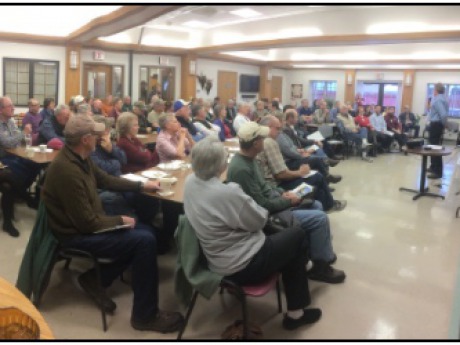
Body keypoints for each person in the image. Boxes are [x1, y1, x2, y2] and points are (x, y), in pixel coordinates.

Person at [41, 113, 183, 333]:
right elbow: (86, 223)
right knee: (144, 240)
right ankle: (145, 316)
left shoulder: (79, 157)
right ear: (86, 139)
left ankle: (97, 278)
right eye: (96, 134)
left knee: (145, 232)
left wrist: (141, 186)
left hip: (86, 222)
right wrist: (119, 220)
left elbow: (106, 180)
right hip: (74, 235)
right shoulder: (67, 170)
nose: (101, 137)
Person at [184, 137, 322, 330]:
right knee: (296, 234)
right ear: (220, 165)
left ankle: (298, 297)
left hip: (214, 258)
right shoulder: (228, 193)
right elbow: (259, 220)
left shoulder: (190, 182)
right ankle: (296, 312)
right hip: (244, 264)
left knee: (290, 246)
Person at [227, 121, 346, 284]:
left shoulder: (250, 160)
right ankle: (320, 267)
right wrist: (289, 202)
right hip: (267, 216)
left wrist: (284, 193)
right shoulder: (242, 169)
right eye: (262, 138)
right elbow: (262, 205)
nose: (266, 140)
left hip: (274, 202)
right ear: (255, 143)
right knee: (319, 218)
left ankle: (318, 256)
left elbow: (266, 185)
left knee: (317, 205)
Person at [257, 116, 346, 213]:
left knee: (316, 177)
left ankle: (325, 205)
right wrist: (300, 172)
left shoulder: (261, 140)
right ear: (267, 127)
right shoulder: (269, 142)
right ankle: (329, 205)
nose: (279, 131)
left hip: (273, 183)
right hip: (277, 186)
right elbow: (281, 174)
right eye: (277, 128)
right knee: (317, 176)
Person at [0, 96, 41, 202]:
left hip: (15, 154)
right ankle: (26, 197)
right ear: (1, 110)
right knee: (19, 170)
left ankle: (21, 191)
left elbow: (17, 140)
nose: (13, 108)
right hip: (3, 158)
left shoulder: (11, 121)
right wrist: (24, 133)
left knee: (35, 164)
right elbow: (7, 143)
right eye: (10, 106)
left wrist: (20, 136)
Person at [427, 82, 449, 179]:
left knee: (435, 148)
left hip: (436, 125)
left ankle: (438, 172)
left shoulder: (438, 100)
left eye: (434, 89)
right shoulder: (442, 98)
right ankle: (433, 166)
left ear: (436, 90)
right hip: (436, 124)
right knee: (433, 146)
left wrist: (443, 125)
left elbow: (443, 114)